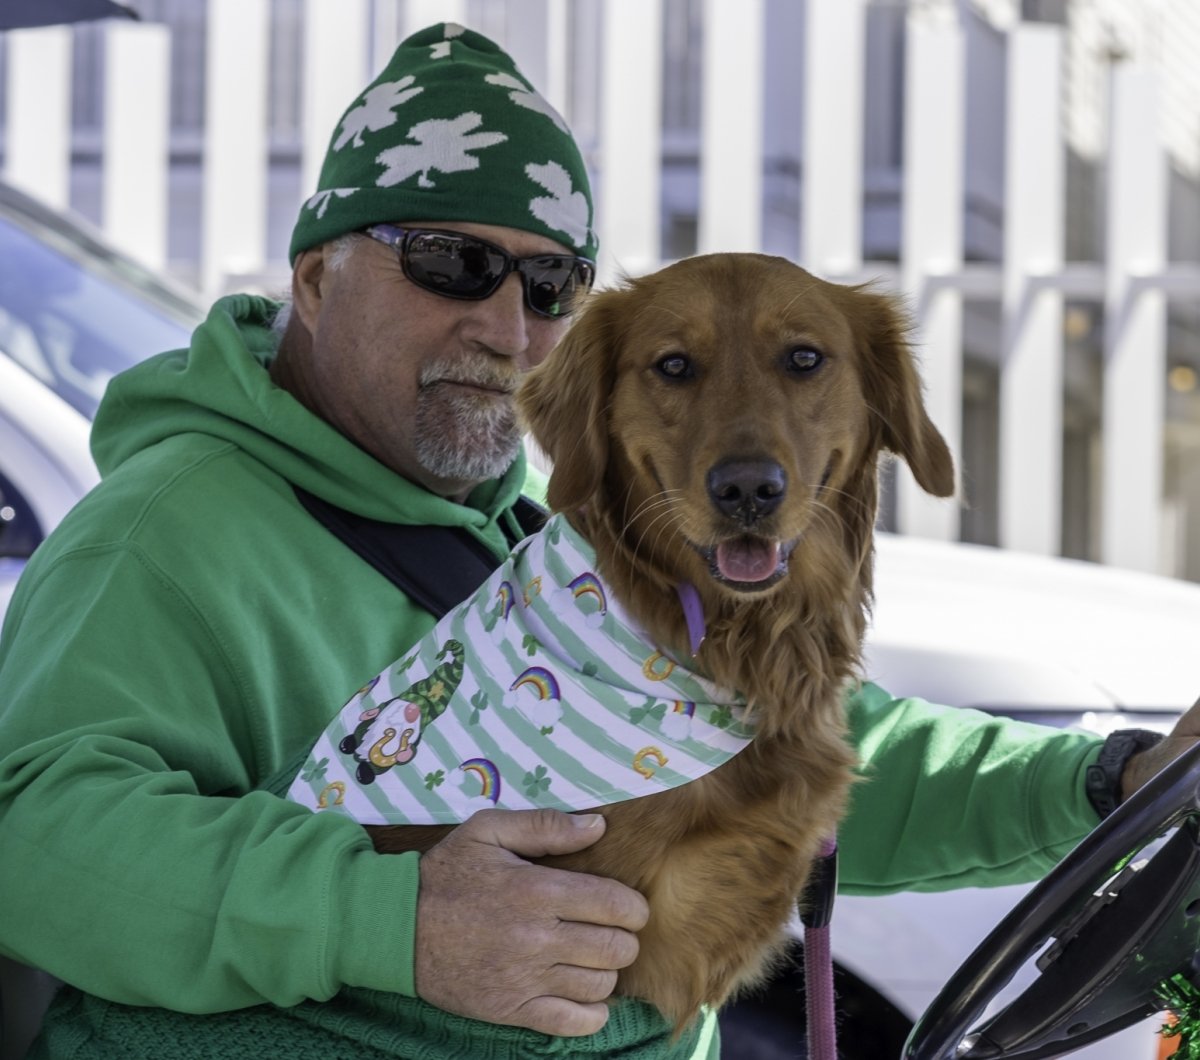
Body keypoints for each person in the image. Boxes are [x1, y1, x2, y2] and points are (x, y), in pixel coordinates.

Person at [0, 20, 1195, 1060]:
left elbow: (772, 761)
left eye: (551, 281)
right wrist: (394, 920)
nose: (507, 324)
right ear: (318, 276)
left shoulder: (546, 529)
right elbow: (35, 840)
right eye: (451, 263)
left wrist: (1106, 777)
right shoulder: (170, 530)